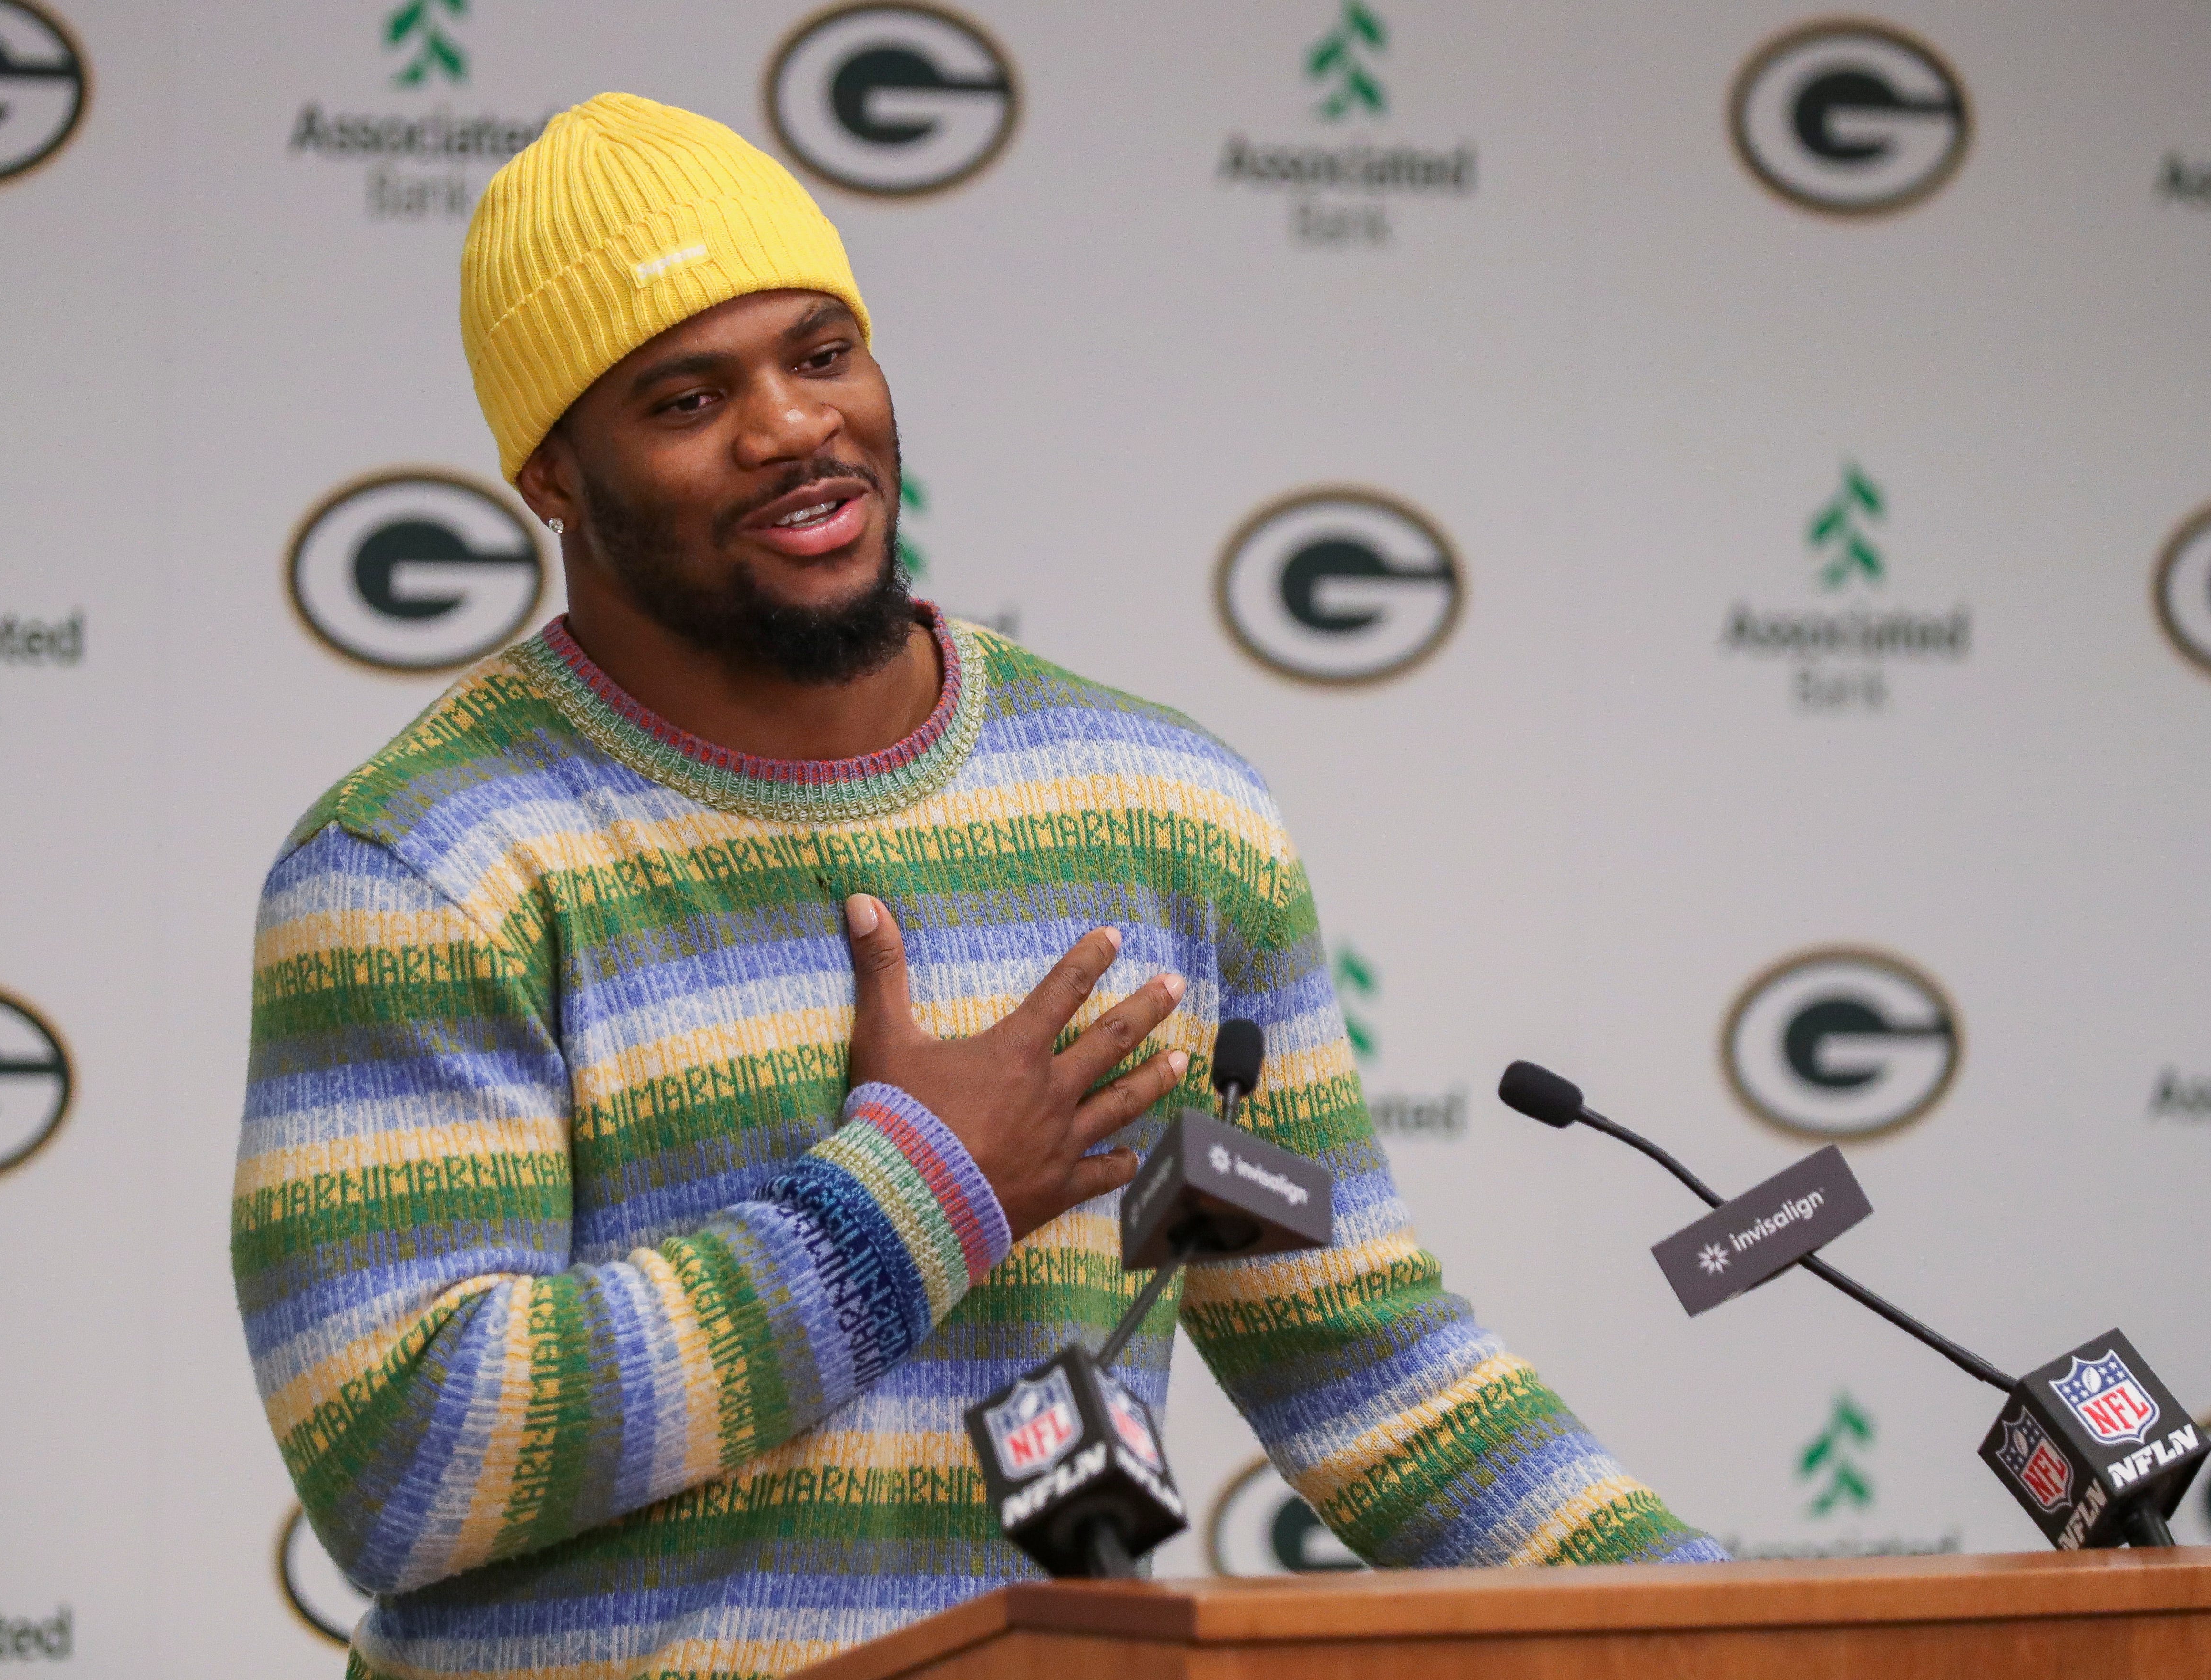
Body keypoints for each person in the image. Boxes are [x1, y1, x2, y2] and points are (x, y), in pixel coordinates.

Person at [231, 92, 1723, 1680]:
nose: (793, 427)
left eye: (821, 354)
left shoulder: (1166, 809)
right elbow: (401, 1461)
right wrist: (920, 1187)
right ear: (550, 477)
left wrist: (1754, 1625)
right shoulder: (427, 861)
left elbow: (1367, 1369)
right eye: (685, 396)